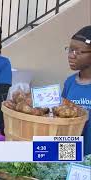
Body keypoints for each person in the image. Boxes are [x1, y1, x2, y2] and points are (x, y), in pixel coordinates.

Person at [62, 25, 91, 155]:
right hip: (71, 156)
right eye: (70, 50)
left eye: (77, 51)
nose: (71, 56)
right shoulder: (69, 83)